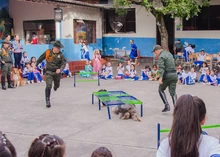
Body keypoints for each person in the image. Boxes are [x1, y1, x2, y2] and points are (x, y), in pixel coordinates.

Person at [36, 40, 66, 108]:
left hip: (57, 72)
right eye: (57, 48)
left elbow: (63, 63)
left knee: (57, 85)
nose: (58, 49)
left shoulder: (61, 55)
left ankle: (56, 87)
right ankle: (47, 101)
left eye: (59, 48)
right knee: (48, 85)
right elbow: (41, 58)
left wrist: (60, 69)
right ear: (54, 47)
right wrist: (36, 64)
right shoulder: (48, 52)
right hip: (49, 72)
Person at [153, 45, 178, 112]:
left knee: (160, 89)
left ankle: (167, 105)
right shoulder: (169, 54)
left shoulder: (161, 56)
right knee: (173, 92)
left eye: (155, 52)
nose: (155, 54)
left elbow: (161, 68)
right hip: (174, 75)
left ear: (157, 50)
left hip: (168, 75)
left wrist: (160, 78)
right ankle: (176, 109)